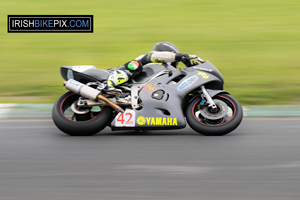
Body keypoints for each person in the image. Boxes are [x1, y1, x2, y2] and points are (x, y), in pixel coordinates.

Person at [105, 42, 189, 95]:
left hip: (134, 88)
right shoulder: (152, 57)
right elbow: (156, 56)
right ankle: (109, 84)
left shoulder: (164, 72)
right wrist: (177, 56)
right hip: (113, 73)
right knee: (136, 65)